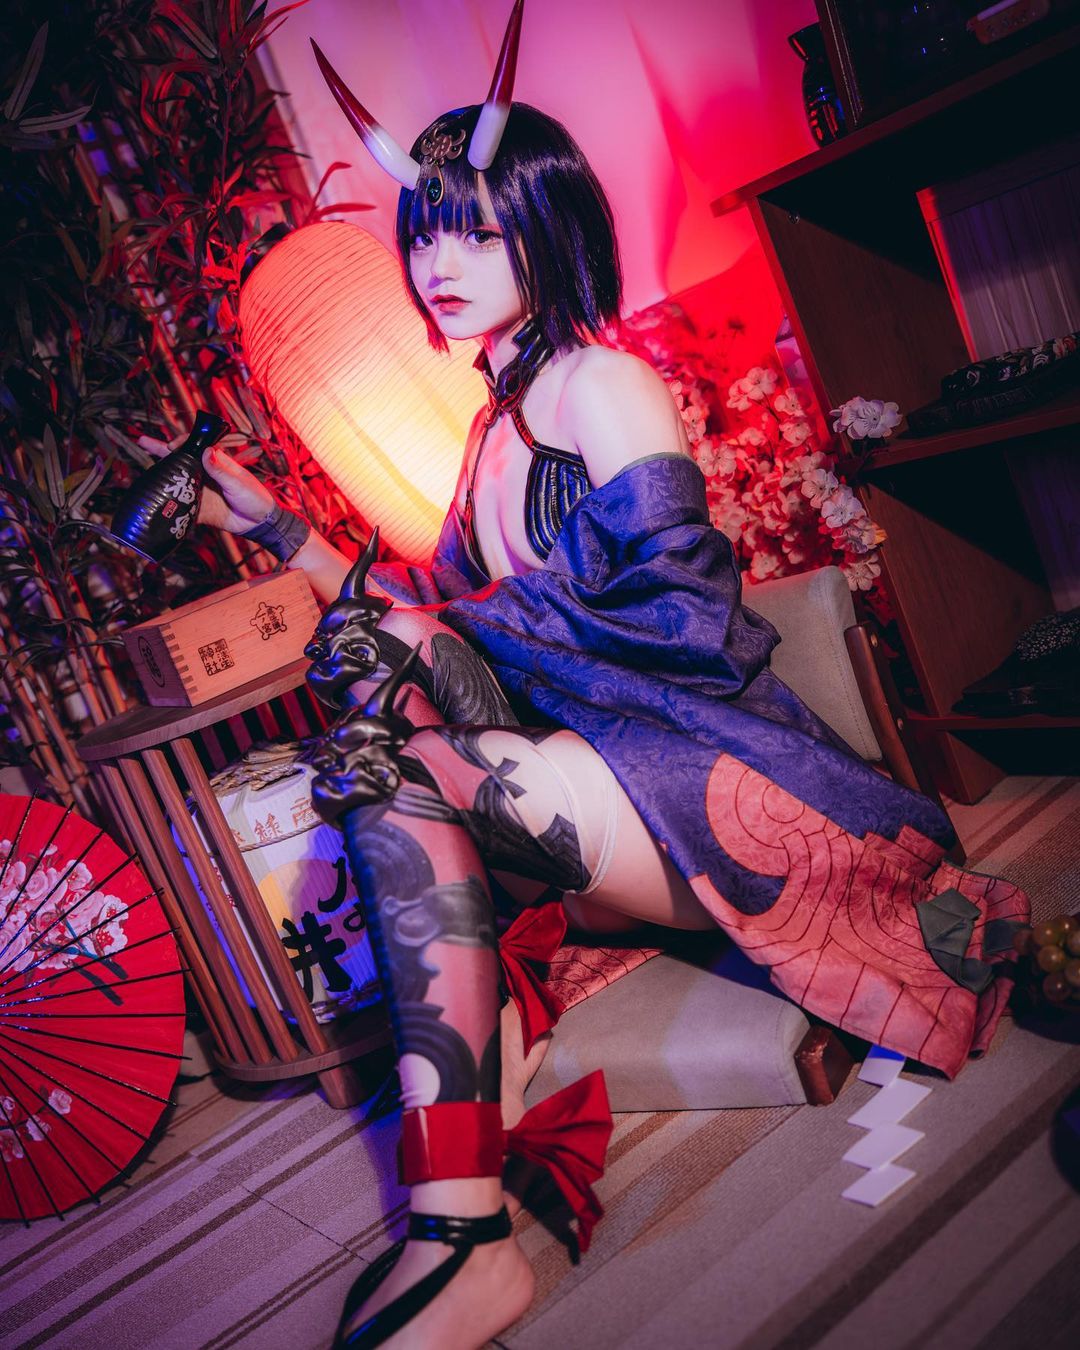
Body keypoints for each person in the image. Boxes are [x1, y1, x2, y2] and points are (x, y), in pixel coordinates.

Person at [140, 6, 1029, 1346]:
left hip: (707, 778)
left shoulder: (602, 387)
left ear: (546, 229)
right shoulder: (492, 433)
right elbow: (434, 619)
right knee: (383, 748)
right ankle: (456, 1220)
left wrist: (459, 637)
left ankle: (462, 1238)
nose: (438, 260)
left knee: (402, 750)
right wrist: (269, 523)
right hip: (598, 790)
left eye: (474, 231)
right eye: (423, 232)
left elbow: (685, 625)